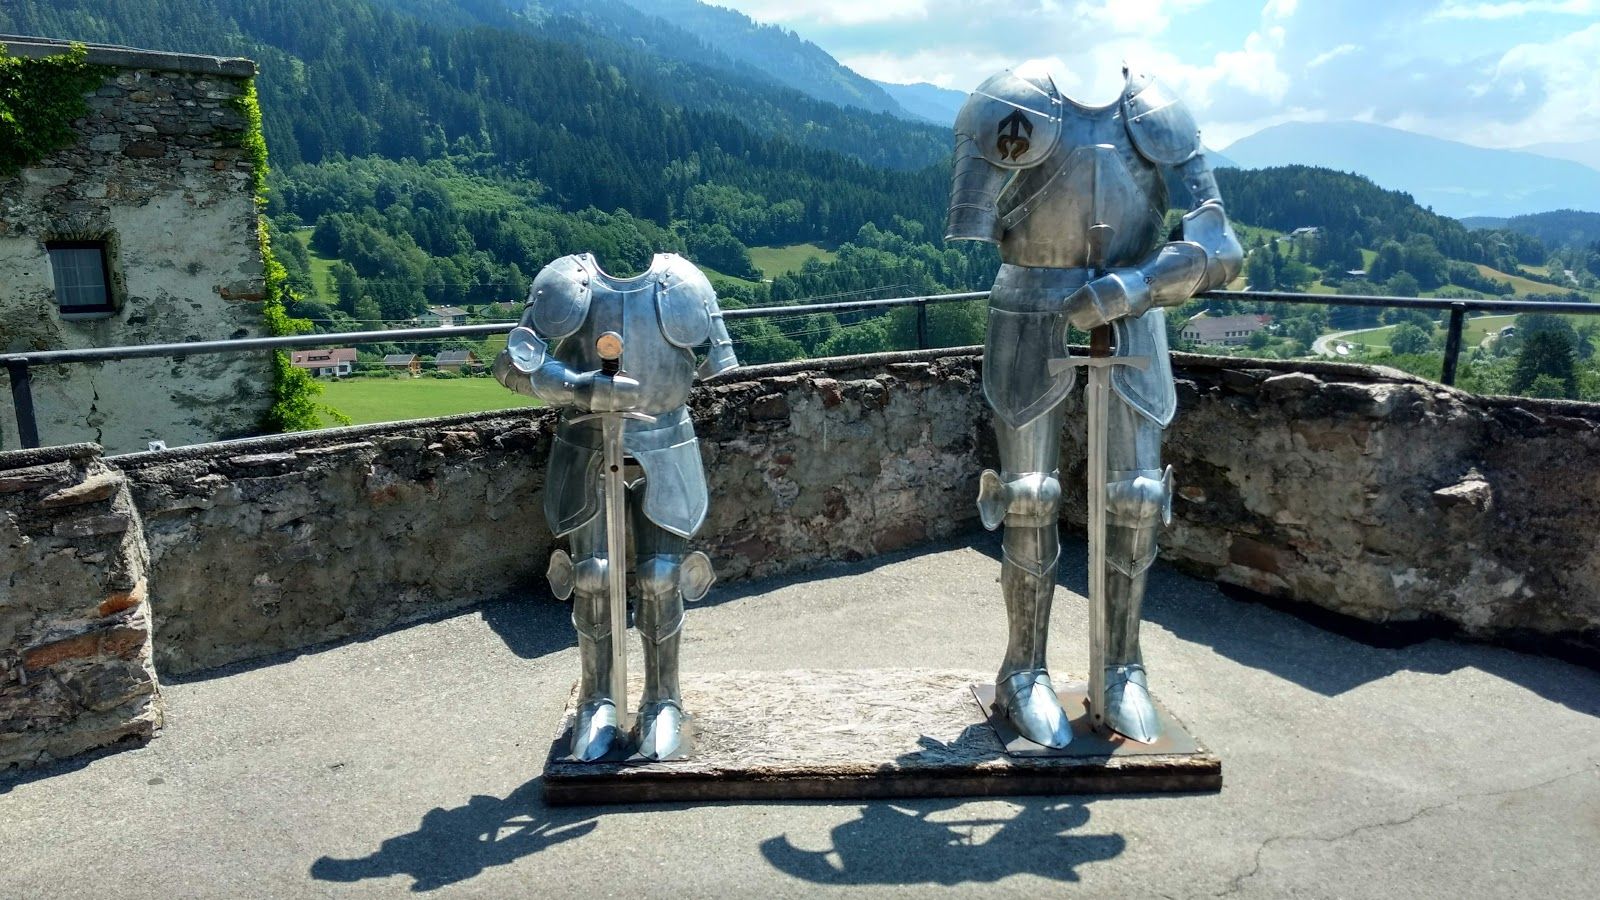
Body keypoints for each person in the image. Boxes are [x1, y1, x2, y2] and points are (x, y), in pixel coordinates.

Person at [946, 62, 1242, 746]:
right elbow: (978, 220)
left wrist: (1135, 285)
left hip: (1136, 307)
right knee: (1027, 493)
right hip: (1029, 303)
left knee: (1138, 494)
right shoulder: (1009, 102)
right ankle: (1023, 671)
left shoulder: (1159, 109)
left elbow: (1221, 245)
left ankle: (1123, 667)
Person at [495, 252, 738, 760]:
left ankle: (663, 701)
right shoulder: (567, 281)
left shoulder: (683, 281)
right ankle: (597, 700)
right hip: (585, 444)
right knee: (592, 575)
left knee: (661, 576)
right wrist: (578, 386)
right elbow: (512, 362)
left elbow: (719, 361)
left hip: (666, 444)